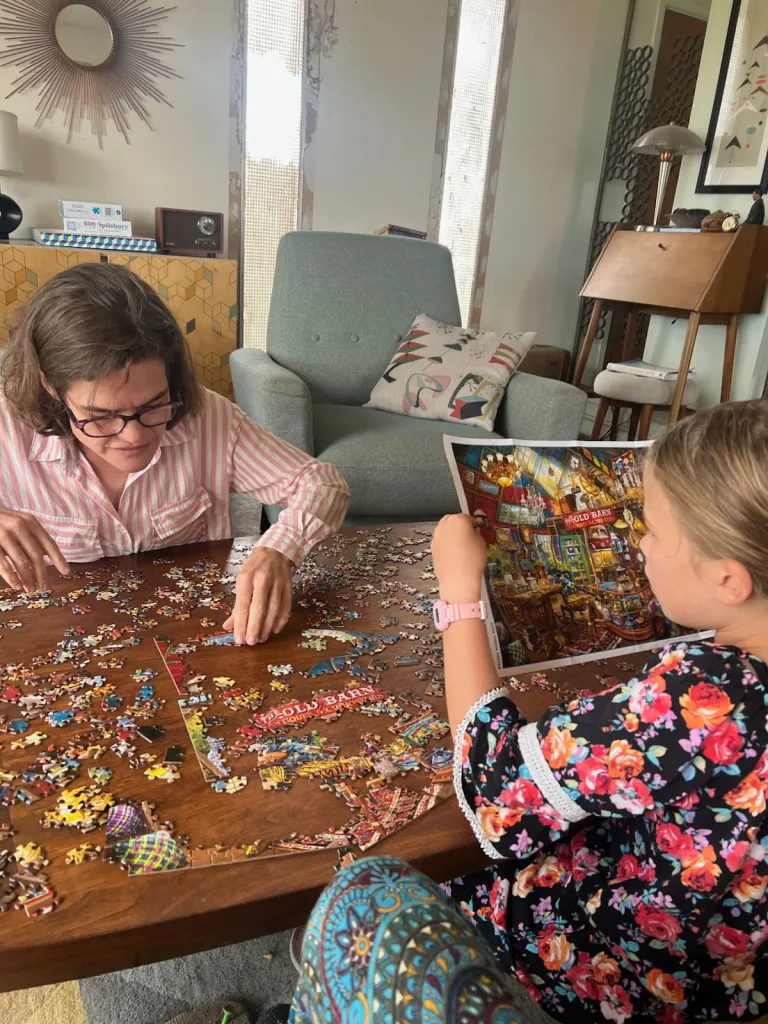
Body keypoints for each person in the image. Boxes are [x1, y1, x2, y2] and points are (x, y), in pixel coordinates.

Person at [428, 399, 768, 1022]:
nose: (637, 542)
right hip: (742, 976)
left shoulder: (706, 696)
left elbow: (496, 794)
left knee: (390, 891)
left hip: (649, 980)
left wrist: (458, 595)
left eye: (654, 531)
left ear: (729, 580)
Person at [0, 263, 349, 645]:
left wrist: (281, 549)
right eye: (101, 417)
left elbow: (322, 483)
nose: (134, 435)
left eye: (154, 405)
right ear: (50, 387)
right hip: (52, 642)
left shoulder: (209, 418)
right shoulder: (6, 428)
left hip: (196, 637)